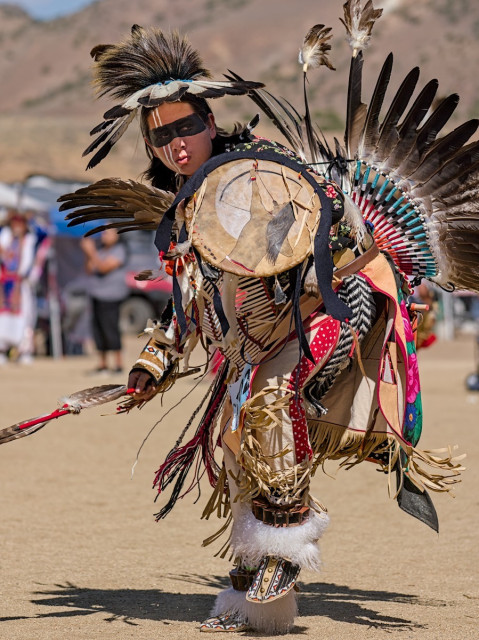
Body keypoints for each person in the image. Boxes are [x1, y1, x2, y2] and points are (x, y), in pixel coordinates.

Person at [59, 3, 476, 633]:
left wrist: (378, 270)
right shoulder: (183, 209)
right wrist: (156, 357)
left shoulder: (264, 171)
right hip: (242, 342)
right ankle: (254, 589)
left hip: (316, 320)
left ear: (209, 119)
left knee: (270, 410)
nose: (177, 143)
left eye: (187, 125)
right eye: (160, 135)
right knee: (233, 452)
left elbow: (327, 230)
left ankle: (283, 552)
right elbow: (188, 298)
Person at [81, 229, 128, 373]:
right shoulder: (100, 250)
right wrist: (89, 254)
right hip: (96, 295)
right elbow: (89, 269)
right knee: (98, 329)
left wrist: (91, 252)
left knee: (111, 328)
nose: (104, 235)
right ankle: (103, 364)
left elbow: (103, 267)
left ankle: (118, 364)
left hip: (111, 296)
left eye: (107, 233)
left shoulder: (120, 250)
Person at [0, 210, 37, 364]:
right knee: (3, 318)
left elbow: (29, 263)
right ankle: (2, 349)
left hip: (21, 286)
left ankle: (24, 350)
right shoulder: (6, 236)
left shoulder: (30, 239)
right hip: (4, 284)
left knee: (25, 317)